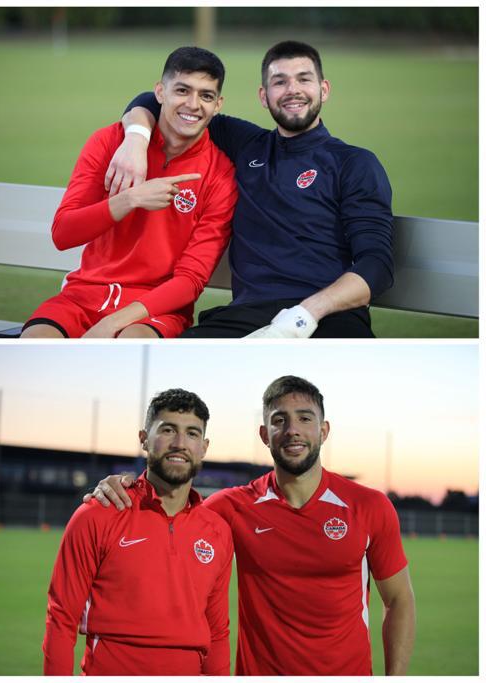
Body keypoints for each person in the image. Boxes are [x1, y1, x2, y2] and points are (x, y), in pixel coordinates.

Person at [88, 376, 416, 675]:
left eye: (305, 418)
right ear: (264, 434)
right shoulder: (233, 508)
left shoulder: (369, 506)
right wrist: (122, 486)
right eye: (279, 420)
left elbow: (399, 600)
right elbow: (169, 505)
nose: (293, 430)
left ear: (324, 430)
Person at [105, 41, 394, 338]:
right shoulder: (245, 144)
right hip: (247, 315)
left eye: (304, 79)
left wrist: (304, 315)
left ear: (324, 89)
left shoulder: (354, 162)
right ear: (264, 96)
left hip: (329, 316)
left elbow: (377, 266)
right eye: (279, 82)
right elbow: (155, 101)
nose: (292, 89)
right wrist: (136, 140)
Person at [21, 47, 237, 339]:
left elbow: (190, 281)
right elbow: (63, 234)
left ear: (218, 104)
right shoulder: (110, 142)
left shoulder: (221, 174)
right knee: (36, 346)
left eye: (206, 96)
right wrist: (130, 199)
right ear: (160, 92)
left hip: (153, 310)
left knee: (129, 343)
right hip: (83, 297)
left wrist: (110, 324)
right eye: (182, 90)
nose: (193, 104)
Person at [44, 389, 233, 675]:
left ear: (204, 447)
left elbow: (217, 632)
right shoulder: (97, 514)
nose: (180, 443)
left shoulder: (217, 530)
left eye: (192, 434)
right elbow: (60, 619)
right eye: (168, 430)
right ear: (144, 439)